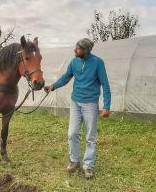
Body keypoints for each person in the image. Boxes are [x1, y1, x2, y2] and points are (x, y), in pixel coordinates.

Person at [44, 38, 111, 179]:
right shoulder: (74, 62)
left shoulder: (98, 63)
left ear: (86, 51)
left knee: (90, 137)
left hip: (90, 104)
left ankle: (88, 166)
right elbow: (66, 77)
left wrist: (107, 106)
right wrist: (53, 86)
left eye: (78, 48)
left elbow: (105, 84)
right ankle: (75, 161)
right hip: (75, 102)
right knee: (72, 133)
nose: (75, 50)